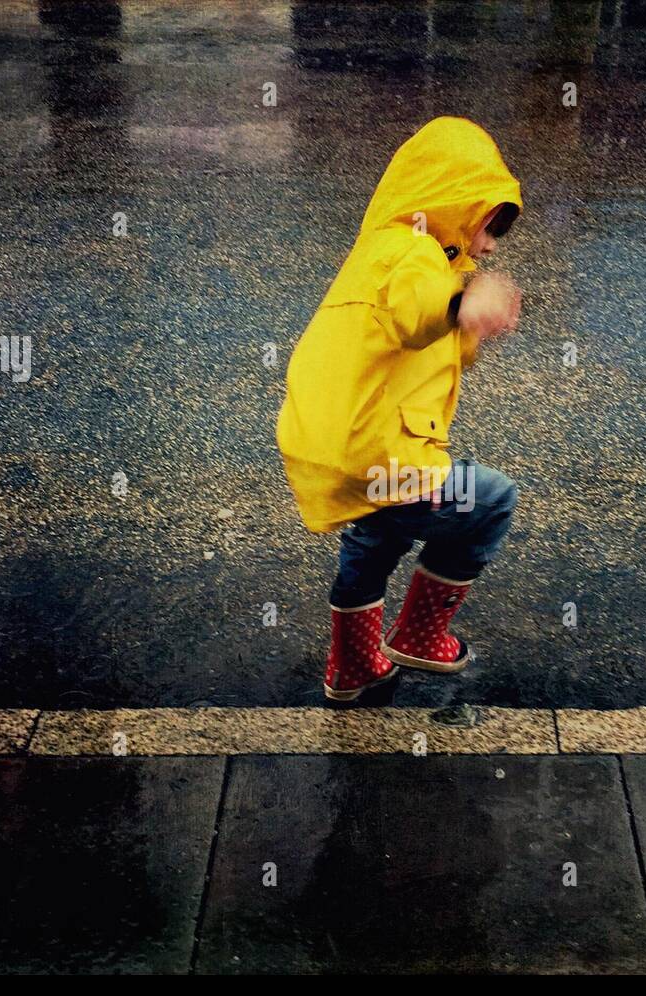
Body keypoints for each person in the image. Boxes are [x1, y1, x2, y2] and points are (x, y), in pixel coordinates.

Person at [277, 116, 523, 701]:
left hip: (345, 447)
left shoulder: (389, 253)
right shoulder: (409, 252)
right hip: (385, 459)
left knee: (377, 533)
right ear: (451, 202)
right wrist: (467, 297)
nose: (487, 245)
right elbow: (418, 313)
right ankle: (419, 634)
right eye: (488, 225)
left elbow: (418, 342)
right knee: (490, 500)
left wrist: (470, 323)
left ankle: (353, 665)